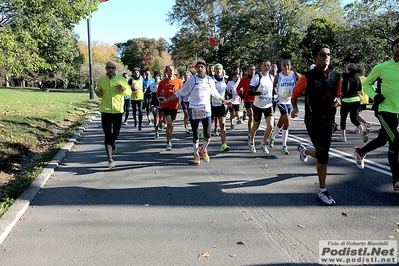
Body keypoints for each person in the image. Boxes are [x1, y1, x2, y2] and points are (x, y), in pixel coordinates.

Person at [291, 43, 342, 205]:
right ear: (315, 57)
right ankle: (322, 190)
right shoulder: (307, 77)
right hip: (313, 121)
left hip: (329, 121)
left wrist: (338, 99)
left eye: (328, 54)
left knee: (322, 154)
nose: (326, 57)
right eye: (322, 54)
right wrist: (294, 109)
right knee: (324, 154)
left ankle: (305, 151)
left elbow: (339, 94)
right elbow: (294, 95)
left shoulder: (336, 76)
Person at [159, 61, 231, 164]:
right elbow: (180, 93)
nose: (200, 69)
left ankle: (204, 149)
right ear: (196, 69)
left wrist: (224, 101)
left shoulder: (209, 80)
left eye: (202, 67)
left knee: (208, 135)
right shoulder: (192, 80)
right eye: (198, 67)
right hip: (194, 110)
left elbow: (214, 93)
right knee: (196, 135)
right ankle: (196, 153)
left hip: (206, 110)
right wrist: (167, 100)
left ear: (205, 69)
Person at [356, 38, 399, 191]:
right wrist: (375, 96)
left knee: (382, 140)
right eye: (397, 46)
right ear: (392, 48)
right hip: (385, 110)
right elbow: (366, 83)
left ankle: (361, 152)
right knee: (396, 142)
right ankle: (397, 180)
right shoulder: (382, 67)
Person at [95, 61, 132, 169]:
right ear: (105, 69)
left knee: (115, 133)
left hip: (117, 110)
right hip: (105, 110)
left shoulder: (121, 80)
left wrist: (122, 89)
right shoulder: (102, 80)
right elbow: (99, 92)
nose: (110, 69)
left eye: (112, 68)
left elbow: (129, 93)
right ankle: (110, 159)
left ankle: (113, 143)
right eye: (108, 68)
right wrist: (98, 94)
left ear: (115, 69)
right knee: (107, 134)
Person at [270, 59, 300, 155]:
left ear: (290, 66)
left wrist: (298, 92)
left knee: (282, 122)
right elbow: (273, 86)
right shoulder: (278, 76)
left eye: (288, 65)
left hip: (290, 101)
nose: (286, 67)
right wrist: (275, 95)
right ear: (281, 66)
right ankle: (284, 146)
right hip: (281, 101)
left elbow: (302, 83)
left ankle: (272, 137)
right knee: (287, 120)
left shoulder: (294, 75)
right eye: (284, 65)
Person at [336, 63, 368, 143]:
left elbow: (345, 89)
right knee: (354, 118)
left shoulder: (346, 78)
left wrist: (342, 93)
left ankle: (343, 136)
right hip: (356, 99)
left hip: (347, 100)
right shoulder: (357, 78)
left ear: (348, 69)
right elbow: (360, 88)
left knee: (343, 119)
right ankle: (362, 129)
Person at [247, 60, 275, 155]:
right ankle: (251, 141)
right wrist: (259, 93)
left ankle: (263, 143)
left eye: (268, 66)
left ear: (270, 68)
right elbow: (250, 91)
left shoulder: (272, 77)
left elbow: (274, 90)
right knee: (256, 126)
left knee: (270, 126)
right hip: (258, 105)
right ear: (261, 67)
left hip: (268, 105)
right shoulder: (257, 77)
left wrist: (276, 97)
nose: (266, 67)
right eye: (265, 65)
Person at [157, 65, 183, 151]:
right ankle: (168, 142)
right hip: (165, 105)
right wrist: (160, 99)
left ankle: (169, 137)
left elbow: (182, 92)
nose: (171, 71)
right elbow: (158, 94)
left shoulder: (179, 81)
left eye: (172, 70)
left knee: (171, 125)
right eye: (169, 70)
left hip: (175, 105)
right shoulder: (162, 83)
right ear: (166, 72)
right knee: (168, 123)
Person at [212, 63, 230, 152]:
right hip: (211, 105)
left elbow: (229, 91)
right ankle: (203, 145)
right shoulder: (211, 79)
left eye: (220, 69)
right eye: (217, 69)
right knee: (208, 126)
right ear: (214, 70)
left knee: (222, 124)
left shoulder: (225, 80)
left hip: (222, 105)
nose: (218, 70)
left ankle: (223, 144)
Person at [236, 64, 256, 139]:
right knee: (251, 115)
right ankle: (250, 133)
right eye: (251, 69)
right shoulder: (244, 79)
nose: (252, 71)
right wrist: (241, 95)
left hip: (257, 100)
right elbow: (238, 88)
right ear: (248, 71)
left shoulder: (257, 78)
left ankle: (253, 131)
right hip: (247, 99)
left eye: (254, 69)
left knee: (254, 117)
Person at [356, 66, 372, 132]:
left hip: (358, 99)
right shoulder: (367, 79)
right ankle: (357, 128)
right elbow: (373, 88)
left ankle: (366, 123)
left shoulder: (356, 79)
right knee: (359, 114)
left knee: (355, 116)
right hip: (365, 99)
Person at [146, 71, 162, 139]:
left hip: (161, 102)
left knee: (161, 116)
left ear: (159, 77)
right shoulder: (152, 85)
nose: (156, 77)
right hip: (154, 102)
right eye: (155, 76)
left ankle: (161, 122)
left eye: (157, 76)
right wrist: (149, 97)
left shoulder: (163, 84)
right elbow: (146, 93)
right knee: (156, 117)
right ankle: (156, 132)